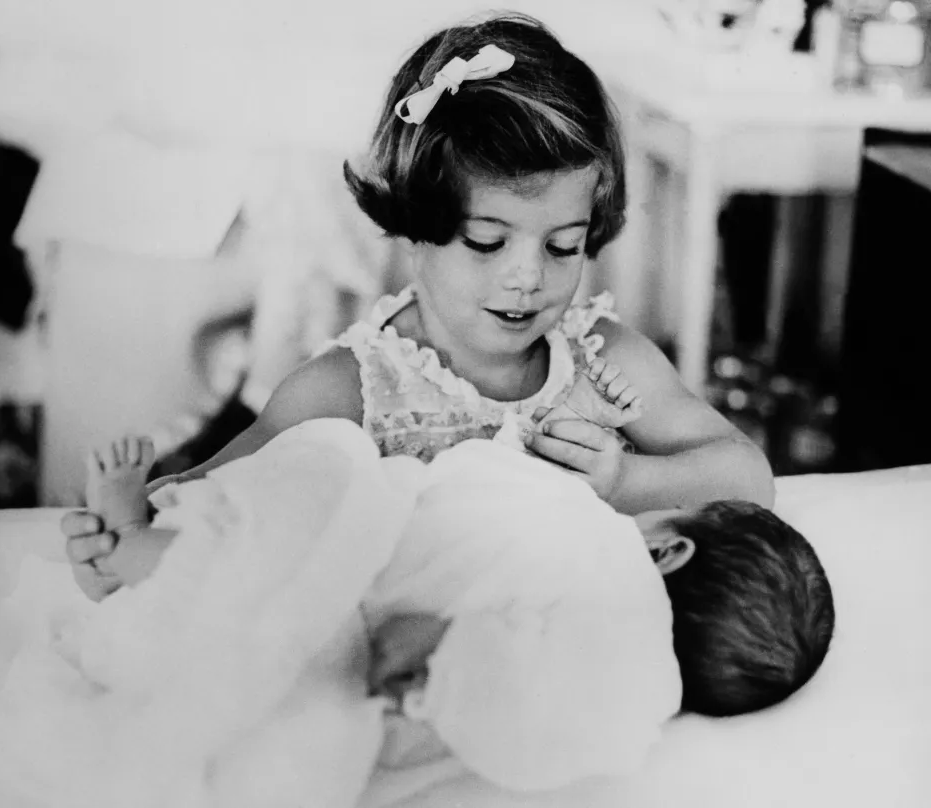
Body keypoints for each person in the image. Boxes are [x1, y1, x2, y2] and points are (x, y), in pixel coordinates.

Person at [63, 11, 773, 600]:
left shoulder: (601, 353)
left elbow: (747, 476)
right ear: (414, 229)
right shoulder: (352, 387)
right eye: (487, 242)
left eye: (563, 246)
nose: (528, 278)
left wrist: (625, 480)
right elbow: (219, 499)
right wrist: (135, 520)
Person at [74, 414, 832, 791]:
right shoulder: (636, 698)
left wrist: (506, 458)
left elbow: (473, 483)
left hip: (352, 570)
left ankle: (139, 543)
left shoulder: (592, 538)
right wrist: (448, 675)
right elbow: (542, 724)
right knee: (292, 635)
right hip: (342, 659)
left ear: (669, 548)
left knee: (330, 461)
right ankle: (143, 556)